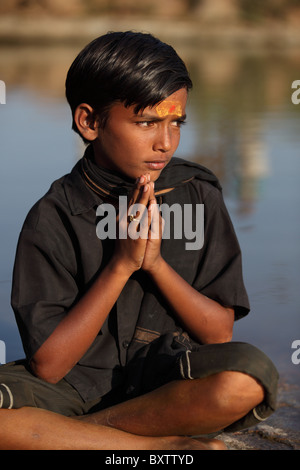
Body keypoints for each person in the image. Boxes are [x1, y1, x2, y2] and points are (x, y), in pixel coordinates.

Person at [0, 31, 278, 450]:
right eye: (146, 122)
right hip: (73, 387)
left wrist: (155, 264)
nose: (165, 142)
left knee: (247, 379)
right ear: (90, 122)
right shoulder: (55, 215)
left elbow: (219, 334)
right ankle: (154, 448)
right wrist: (122, 264)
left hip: (167, 377)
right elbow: (50, 368)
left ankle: (82, 437)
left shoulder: (198, 195)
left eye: (176, 122)